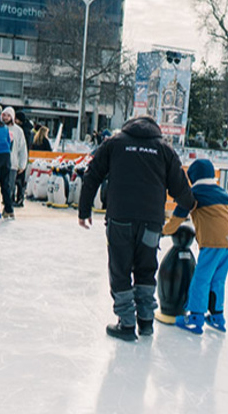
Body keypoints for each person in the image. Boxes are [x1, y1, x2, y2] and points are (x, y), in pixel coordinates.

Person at [78, 116, 194, 342]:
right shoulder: (164, 149)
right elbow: (180, 186)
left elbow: (92, 175)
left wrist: (84, 210)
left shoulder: (114, 143)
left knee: (120, 268)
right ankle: (146, 322)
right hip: (152, 221)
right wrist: (192, 205)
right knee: (146, 267)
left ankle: (127, 323)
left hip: (120, 217)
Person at [162, 158, 228, 334]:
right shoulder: (221, 192)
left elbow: (178, 216)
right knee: (218, 280)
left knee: (201, 279)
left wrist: (165, 231)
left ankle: (195, 317)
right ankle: (217, 317)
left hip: (213, 242)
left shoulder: (194, 193)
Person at [2, 106, 28, 207]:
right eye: (4, 115)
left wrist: (22, 164)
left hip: (12, 164)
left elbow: (22, 149)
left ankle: (8, 207)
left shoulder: (18, 131)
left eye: (8, 116)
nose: (6, 118)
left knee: (10, 186)